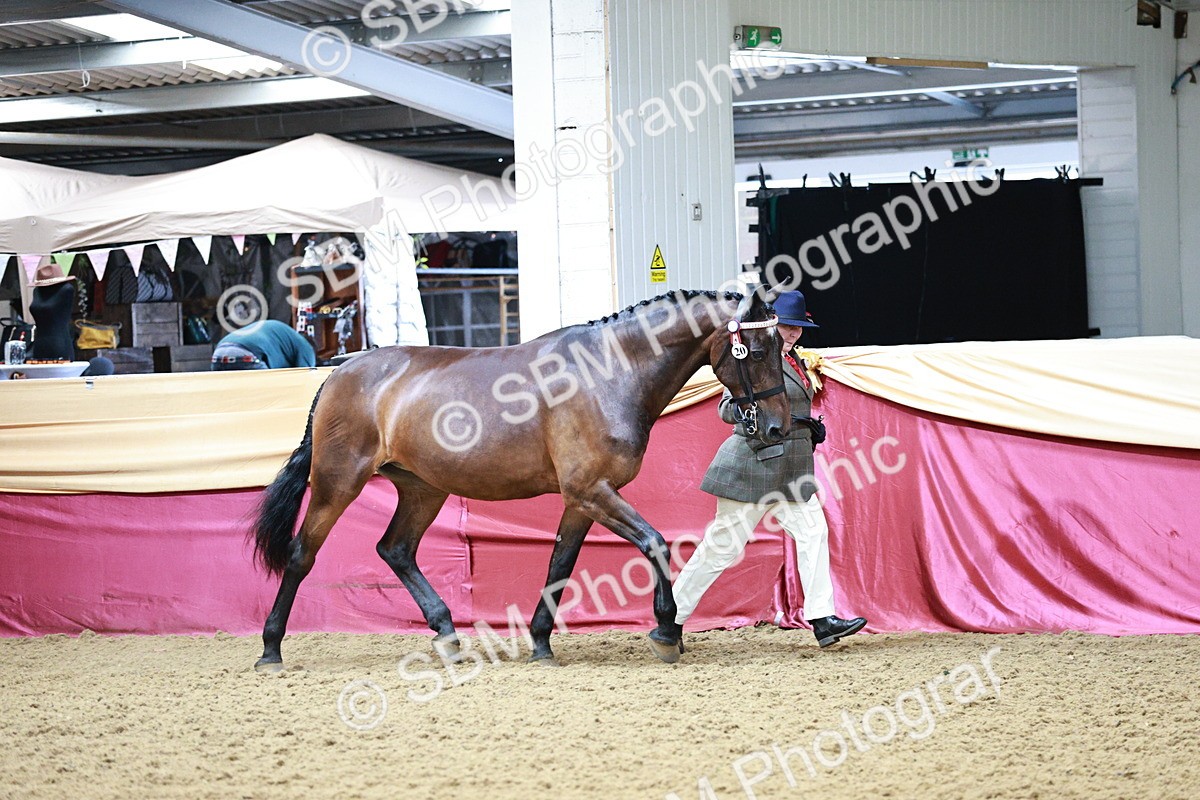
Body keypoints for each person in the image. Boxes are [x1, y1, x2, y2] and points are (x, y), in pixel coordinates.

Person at [673, 290, 867, 648]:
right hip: (752, 464)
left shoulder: (794, 361)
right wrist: (761, 417)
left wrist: (808, 426)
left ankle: (822, 619)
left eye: (799, 328)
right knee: (721, 549)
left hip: (791, 470)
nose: (793, 334)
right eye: (788, 327)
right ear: (773, 324)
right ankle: (670, 618)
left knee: (813, 533)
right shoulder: (755, 359)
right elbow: (727, 408)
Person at [211, 319, 315, 371]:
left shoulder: (285, 336)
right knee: (267, 397)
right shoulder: (306, 347)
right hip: (247, 354)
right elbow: (304, 376)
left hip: (219, 353)